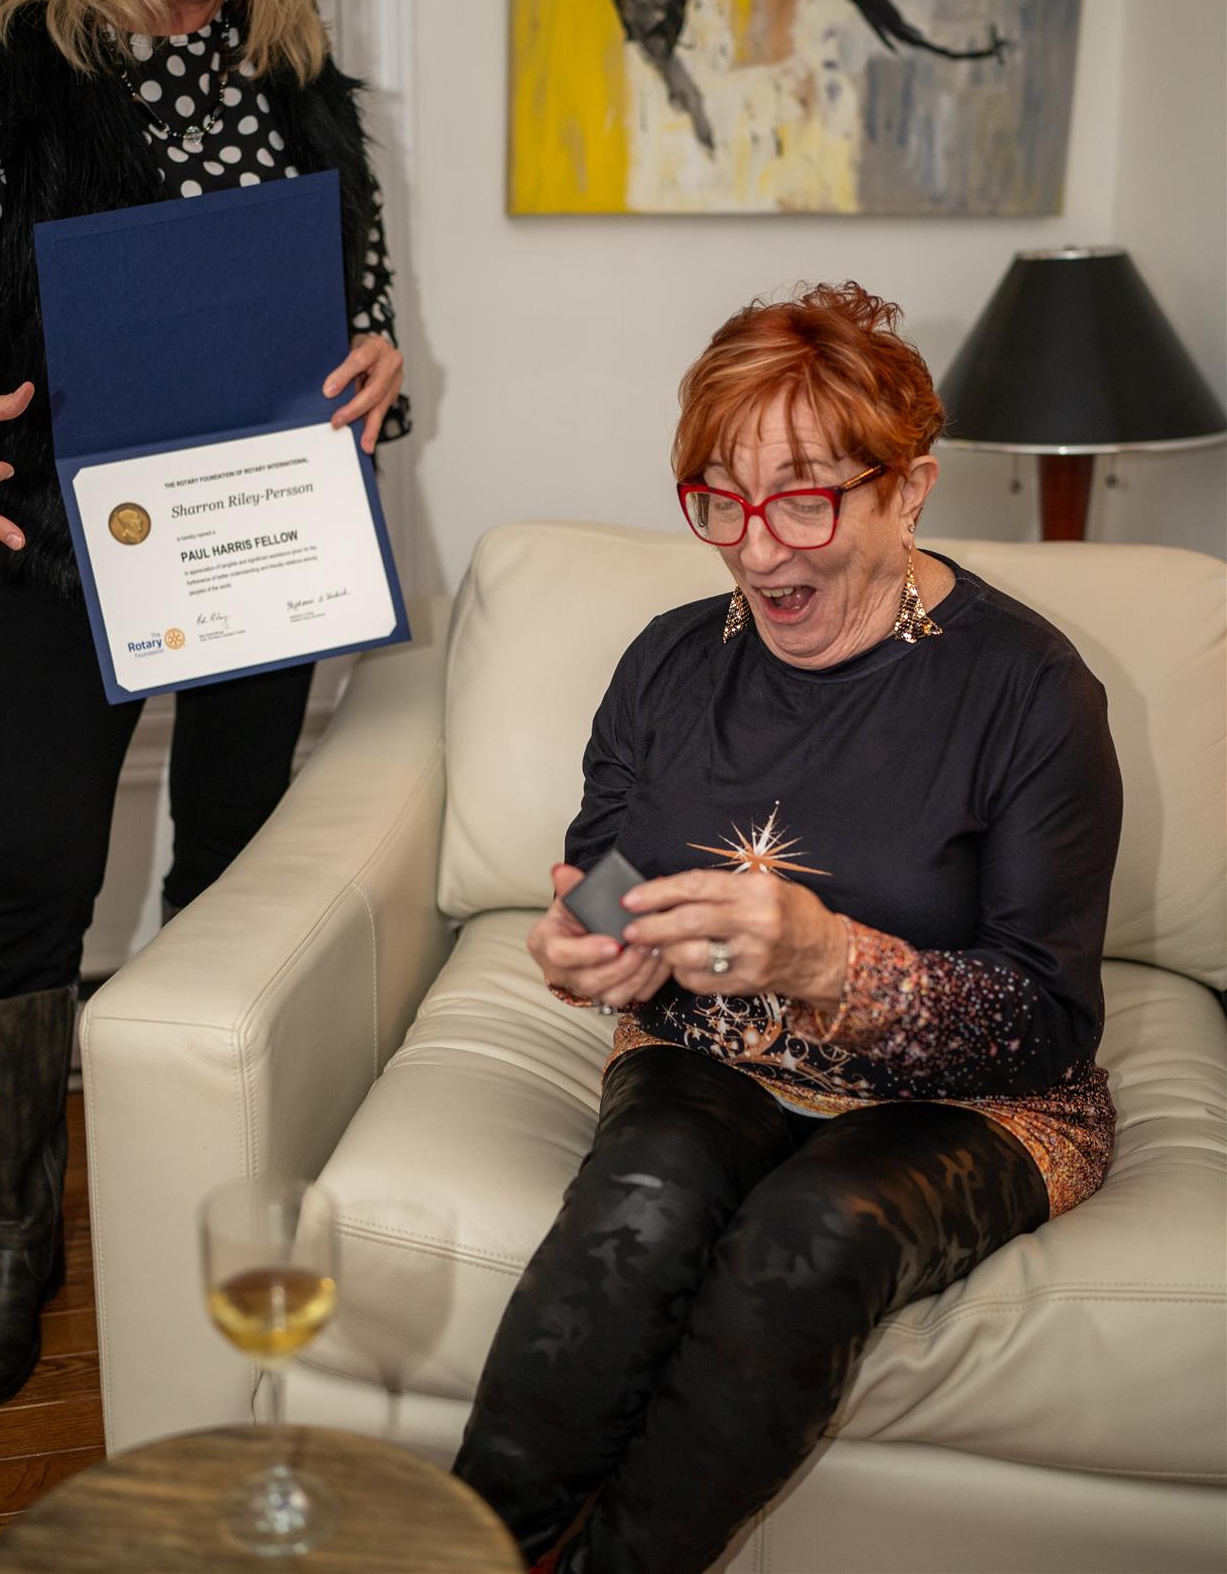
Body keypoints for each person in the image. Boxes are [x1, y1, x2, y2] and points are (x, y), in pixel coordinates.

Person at [0, 0, 409, 1410]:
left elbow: (361, 330)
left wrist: (377, 368)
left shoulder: (296, 83)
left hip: (267, 550)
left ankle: (209, 1194)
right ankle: (16, 1247)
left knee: (236, 876)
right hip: (75, 554)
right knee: (30, 891)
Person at [454, 284, 1121, 1574]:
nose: (758, 552)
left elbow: (1047, 1023)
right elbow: (604, 867)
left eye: (806, 499)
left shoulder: (1031, 692)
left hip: (977, 1104)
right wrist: (583, 946)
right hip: (704, 1047)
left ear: (907, 490)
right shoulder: (669, 661)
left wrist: (832, 963)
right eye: (720, 499)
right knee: (637, 1210)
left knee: (806, 1241)